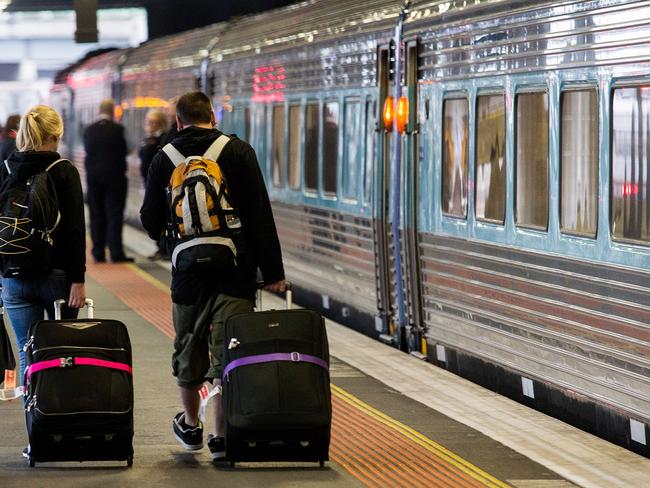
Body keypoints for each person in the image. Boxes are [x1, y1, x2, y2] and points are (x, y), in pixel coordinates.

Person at [140, 91, 285, 462]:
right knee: (228, 353)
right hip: (234, 272)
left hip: (187, 276)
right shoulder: (238, 152)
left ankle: (191, 427)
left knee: (188, 352)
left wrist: (176, 234)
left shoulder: (164, 157)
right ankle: (221, 437)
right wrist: (273, 274)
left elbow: (150, 220)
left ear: (178, 121)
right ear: (213, 118)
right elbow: (260, 216)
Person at [0, 105, 86, 387]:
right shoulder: (63, 171)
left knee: (28, 353)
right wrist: (78, 280)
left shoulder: (7, 168)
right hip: (57, 277)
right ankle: (59, 417)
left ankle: (35, 423)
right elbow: (74, 229)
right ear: (56, 134)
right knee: (62, 352)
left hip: (13, 276)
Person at [83, 99, 132, 263]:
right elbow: (125, 150)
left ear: (99, 110)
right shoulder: (118, 130)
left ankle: (98, 252)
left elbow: (87, 150)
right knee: (114, 214)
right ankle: (116, 253)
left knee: (96, 213)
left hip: (93, 178)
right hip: (115, 178)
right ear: (113, 111)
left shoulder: (89, 130)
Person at [139, 109, 169, 260]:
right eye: (148, 121)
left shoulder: (162, 139)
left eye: (153, 122)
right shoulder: (148, 139)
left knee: (160, 213)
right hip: (148, 182)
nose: (150, 124)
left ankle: (164, 248)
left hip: (157, 183)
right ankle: (159, 247)